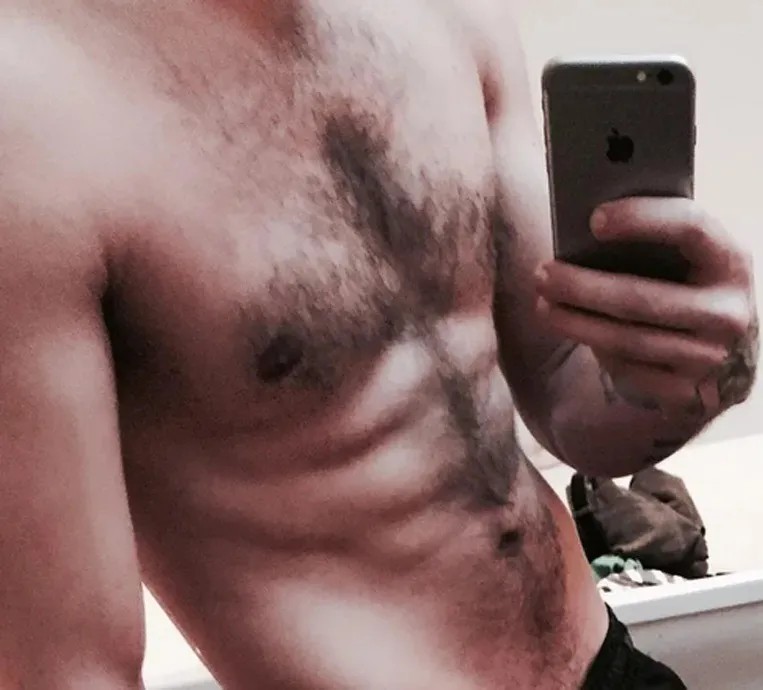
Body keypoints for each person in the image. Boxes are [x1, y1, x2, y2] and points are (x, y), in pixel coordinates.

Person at [0, 2, 756, 689]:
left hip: (607, 667)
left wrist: (702, 367)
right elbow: (69, 673)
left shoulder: (453, 16)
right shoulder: (29, 111)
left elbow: (572, 400)